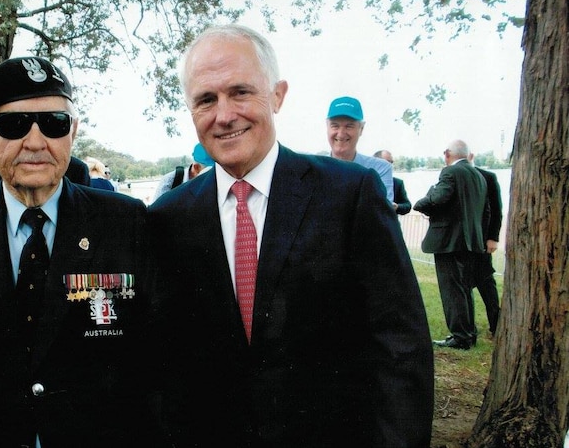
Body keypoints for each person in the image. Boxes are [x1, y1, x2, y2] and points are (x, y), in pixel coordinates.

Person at [147, 24, 433, 447]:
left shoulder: (349, 195)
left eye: (240, 92)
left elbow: (399, 346)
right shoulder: (168, 217)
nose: (224, 115)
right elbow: (163, 364)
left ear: (277, 95)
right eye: (206, 99)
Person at [0, 56, 166, 447]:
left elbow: (155, 360)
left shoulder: (127, 222)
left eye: (54, 124)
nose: (36, 142)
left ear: (73, 133)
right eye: (14, 125)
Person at [414, 140, 487, 350]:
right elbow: (485, 210)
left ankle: (460, 337)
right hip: (470, 240)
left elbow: (439, 198)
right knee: (464, 289)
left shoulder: (450, 173)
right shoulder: (478, 176)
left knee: (452, 290)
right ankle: (469, 333)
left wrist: (422, 202)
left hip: (449, 241)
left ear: (447, 153)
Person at [326, 96, 394, 203]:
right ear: (327, 127)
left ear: (361, 129)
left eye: (349, 126)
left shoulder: (380, 169)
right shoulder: (312, 169)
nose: (341, 134)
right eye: (335, 126)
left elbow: (382, 214)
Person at [470, 152, 503, 336]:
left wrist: (493, 237)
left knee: (485, 281)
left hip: (482, 239)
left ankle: (495, 323)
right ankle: (467, 326)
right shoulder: (450, 175)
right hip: (460, 242)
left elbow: (497, 209)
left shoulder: (488, 177)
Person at [374, 149, 411, 215]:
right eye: (387, 162)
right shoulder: (364, 180)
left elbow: (407, 205)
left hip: (389, 223)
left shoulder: (397, 183)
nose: (390, 165)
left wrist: (397, 207)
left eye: (391, 162)